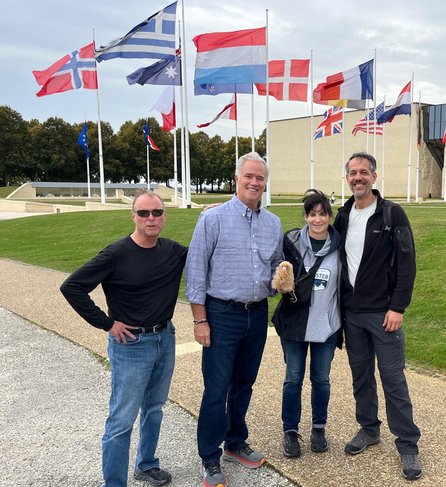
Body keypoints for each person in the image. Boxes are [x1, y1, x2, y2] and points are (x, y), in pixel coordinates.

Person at [60, 189, 188, 487]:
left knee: (154, 408)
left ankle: (146, 465)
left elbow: (207, 252)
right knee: (122, 420)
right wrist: (107, 323)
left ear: (164, 216)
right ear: (133, 216)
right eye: (144, 213)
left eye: (156, 212)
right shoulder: (116, 253)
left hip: (164, 338)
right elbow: (72, 287)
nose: (151, 218)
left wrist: (214, 214)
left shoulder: (172, 251)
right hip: (130, 346)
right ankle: (114, 483)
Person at [185, 152, 284, 487]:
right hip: (221, 314)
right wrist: (200, 320)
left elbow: (276, 265)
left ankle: (235, 442)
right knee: (217, 388)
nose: (254, 182)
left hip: (256, 314)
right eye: (249, 176)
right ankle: (210, 457)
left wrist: (282, 279)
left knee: (244, 384)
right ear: (237, 178)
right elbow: (195, 270)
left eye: (260, 178)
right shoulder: (213, 219)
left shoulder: (272, 222)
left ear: (265, 182)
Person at [333, 152, 423, 480]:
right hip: (352, 314)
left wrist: (398, 307)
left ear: (374, 176)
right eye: (352, 173)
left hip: (383, 314)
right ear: (347, 178)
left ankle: (408, 445)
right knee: (361, 376)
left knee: (393, 379)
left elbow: (407, 263)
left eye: (363, 172)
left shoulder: (391, 214)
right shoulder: (343, 215)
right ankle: (369, 429)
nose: (358, 177)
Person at [271, 189, 342, 458]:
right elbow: (273, 270)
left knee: (321, 380)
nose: (317, 219)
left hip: (327, 325)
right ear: (305, 216)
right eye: (312, 214)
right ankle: (290, 431)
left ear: (329, 216)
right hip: (294, 324)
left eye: (322, 214)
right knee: (293, 379)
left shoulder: (339, 246)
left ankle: (318, 427)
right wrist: (278, 283)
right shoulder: (290, 243)